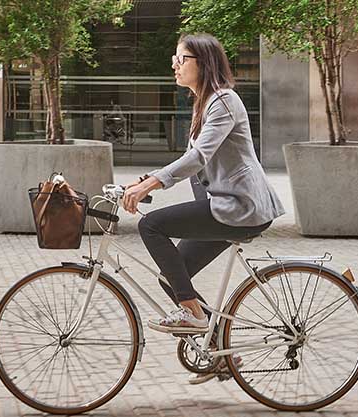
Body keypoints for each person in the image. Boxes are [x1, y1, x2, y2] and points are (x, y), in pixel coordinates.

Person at [121, 34, 286, 381]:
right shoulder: (205, 102)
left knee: (151, 226)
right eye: (175, 58)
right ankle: (222, 354)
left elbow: (199, 158)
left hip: (241, 208)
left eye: (181, 59)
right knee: (173, 276)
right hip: (224, 206)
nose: (174, 65)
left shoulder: (224, 102)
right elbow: (193, 162)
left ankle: (195, 316)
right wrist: (143, 180)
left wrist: (151, 183)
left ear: (203, 63)